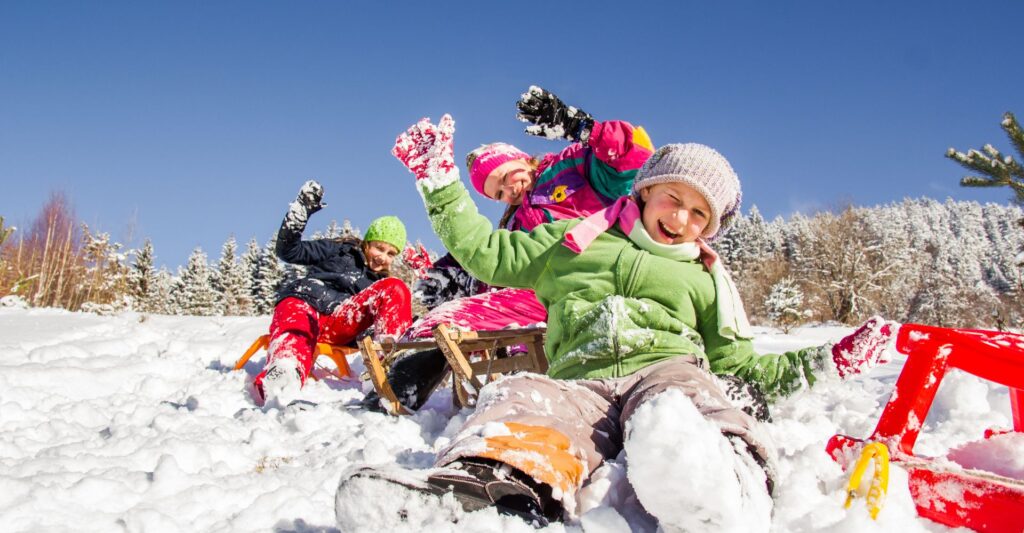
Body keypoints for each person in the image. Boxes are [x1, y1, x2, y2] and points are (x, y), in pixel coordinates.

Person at [336, 116, 898, 530]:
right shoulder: (574, 241)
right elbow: (486, 253)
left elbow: (738, 366)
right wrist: (439, 180)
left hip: (666, 369)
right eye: (672, 197)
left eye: (698, 212)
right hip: (582, 379)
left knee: (685, 401)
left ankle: (722, 483)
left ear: (711, 225)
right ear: (647, 191)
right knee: (526, 396)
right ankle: (481, 496)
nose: (680, 217)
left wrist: (828, 360)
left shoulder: (705, 277)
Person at [365, 86, 656, 413]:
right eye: (498, 193)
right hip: (541, 298)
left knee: (460, 317)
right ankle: (394, 392)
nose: (509, 190)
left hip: (595, 285)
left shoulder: (570, 168)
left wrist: (582, 129)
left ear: (520, 157)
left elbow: (636, 163)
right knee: (449, 319)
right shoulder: (514, 223)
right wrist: (449, 273)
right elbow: (497, 259)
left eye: (505, 177)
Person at [253, 180, 413, 406]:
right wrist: (300, 213)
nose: (383, 257)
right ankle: (285, 372)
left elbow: (382, 321)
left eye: (391, 253)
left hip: (341, 321)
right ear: (366, 243)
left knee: (396, 287)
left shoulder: (380, 284)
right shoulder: (339, 249)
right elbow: (289, 251)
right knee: (296, 327)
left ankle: (385, 370)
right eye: (379, 247)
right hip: (305, 303)